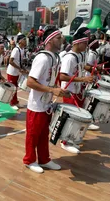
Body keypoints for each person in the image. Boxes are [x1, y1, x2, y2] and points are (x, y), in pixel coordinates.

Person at [23, 27, 70, 173]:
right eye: (58, 38)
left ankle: (44, 159)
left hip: (46, 104)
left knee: (44, 134)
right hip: (36, 105)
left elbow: (49, 81)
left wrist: (58, 89)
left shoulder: (54, 58)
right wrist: (52, 90)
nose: (61, 40)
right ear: (49, 41)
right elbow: (30, 82)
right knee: (33, 134)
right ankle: (29, 160)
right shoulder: (42, 58)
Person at [59, 30, 94, 154]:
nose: (86, 45)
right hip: (69, 91)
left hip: (76, 89)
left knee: (76, 117)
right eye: (84, 43)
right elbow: (62, 76)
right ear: (77, 43)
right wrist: (83, 78)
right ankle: (65, 142)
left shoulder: (78, 56)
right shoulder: (69, 58)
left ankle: (71, 138)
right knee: (70, 118)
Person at [6, 34, 29, 110]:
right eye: (24, 39)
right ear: (20, 41)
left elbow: (19, 61)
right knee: (13, 88)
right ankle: (12, 103)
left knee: (15, 87)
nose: (26, 41)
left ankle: (15, 102)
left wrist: (24, 68)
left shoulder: (22, 50)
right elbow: (10, 61)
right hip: (11, 72)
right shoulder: (16, 49)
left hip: (16, 72)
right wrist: (19, 68)